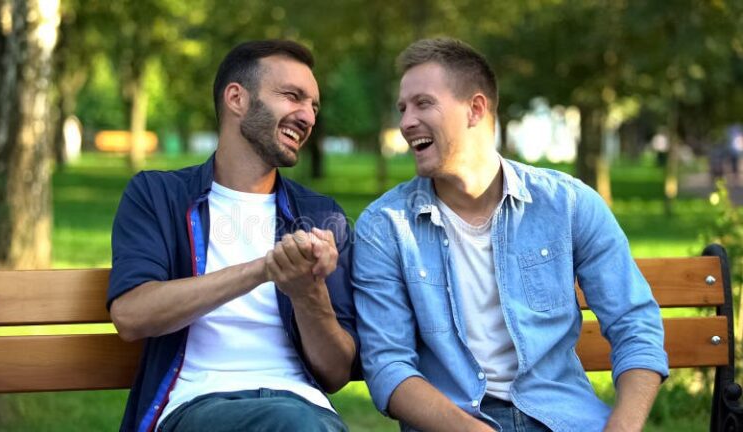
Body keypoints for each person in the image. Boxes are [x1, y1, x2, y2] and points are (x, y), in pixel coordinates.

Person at [352, 38, 668, 432]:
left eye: (423, 103)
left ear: (476, 109)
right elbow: (388, 366)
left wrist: (621, 427)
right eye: (403, 108)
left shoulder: (567, 204)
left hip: (564, 419)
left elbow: (634, 323)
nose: (405, 122)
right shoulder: (385, 227)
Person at [107, 40, 359, 432]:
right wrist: (263, 270)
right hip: (195, 405)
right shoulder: (157, 196)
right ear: (237, 98)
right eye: (293, 97)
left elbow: (335, 372)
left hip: (304, 408)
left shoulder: (320, 216)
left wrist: (308, 291)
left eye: (313, 106)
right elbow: (131, 316)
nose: (307, 116)